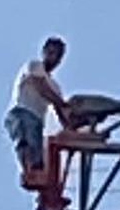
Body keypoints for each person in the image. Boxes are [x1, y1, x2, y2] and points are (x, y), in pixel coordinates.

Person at [5, 37, 75, 184]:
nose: (53, 58)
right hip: (22, 112)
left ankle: (39, 177)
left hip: (37, 120)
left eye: (57, 55)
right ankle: (29, 173)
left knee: (38, 150)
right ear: (44, 52)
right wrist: (61, 103)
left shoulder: (55, 87)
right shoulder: (34, 66)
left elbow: (61, 115)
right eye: (50, 53)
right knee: (26, 141)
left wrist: (73, 128)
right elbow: (41, 87)